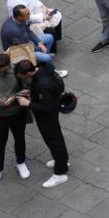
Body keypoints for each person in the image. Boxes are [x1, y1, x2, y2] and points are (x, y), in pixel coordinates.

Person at [0, 52, 30, 188]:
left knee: (19, 138)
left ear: (9, 66)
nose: (1, 72)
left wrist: (13, 98)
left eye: (3, 69)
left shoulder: (17, 72)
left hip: (16, 113)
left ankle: (21, 162)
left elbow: (27, 89)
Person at [24, 58, 71, 188]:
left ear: (28, 73)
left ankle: (60, 173)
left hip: (47, 117)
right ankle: (62, 161)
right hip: (51, 115)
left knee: (54, 141)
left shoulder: (42, 83)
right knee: (56, 139)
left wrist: (29, 104)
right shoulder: (45, 71)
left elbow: (47, 106)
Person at [1, 4, 61, 70]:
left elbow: (28, 31)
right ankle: (50, 70)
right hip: (18, 50)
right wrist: (39, 48)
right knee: (48, 58)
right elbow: (23, 47)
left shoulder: (19, 19)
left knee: (49, 37)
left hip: (26, 42)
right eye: (27, 14)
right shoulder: (14, 31)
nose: (30, 14)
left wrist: (39, 43)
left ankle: (41, 62)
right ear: (19, 17)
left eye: (29, 12)